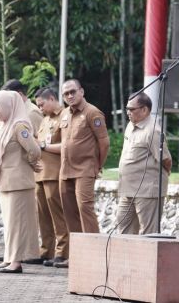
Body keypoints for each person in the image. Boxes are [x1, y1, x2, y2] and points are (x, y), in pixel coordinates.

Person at [0, 90, 42, 274]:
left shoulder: (19, 126)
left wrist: (31, 164)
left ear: (9, 107)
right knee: (10, 223)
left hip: (18, 182)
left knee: (17, 224)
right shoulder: (5, 125)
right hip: (6, 182)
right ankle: (8, 258)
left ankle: (16, 262)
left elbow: (34, 150)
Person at [59, 79, 110, 255]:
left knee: (84, 208)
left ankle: (94, 253)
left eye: (73, 91)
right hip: (65, 170)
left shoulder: (93, 113)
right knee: (69, 212)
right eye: (66, 93)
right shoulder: (64, 113)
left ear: (81, 91)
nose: (70, 96)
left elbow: (104, 143)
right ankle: (77, 254)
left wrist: (97, 165)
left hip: (85, 169)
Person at [116, 92, 172, 235]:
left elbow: (166, 160)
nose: (128, 112)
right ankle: (125, 258)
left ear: (144, 110)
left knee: (148, 233)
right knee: (123, 229)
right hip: (128, 189)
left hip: (147, 191)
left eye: (131, 109)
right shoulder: (131, 124)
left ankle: (146, 258)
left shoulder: (153, 131)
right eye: (127, 108)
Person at [33, 87, 69, 267]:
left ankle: (62, 252)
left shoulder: (65, 116)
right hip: (40, 173)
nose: (40, 108)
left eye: (42, 104)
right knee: (43, 216)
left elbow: (67, 145)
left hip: (55, 173)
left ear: (52, 99)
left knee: (58, 216)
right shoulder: (45, 119)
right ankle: (46, 249)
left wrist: (42, 146)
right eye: (38, 106)